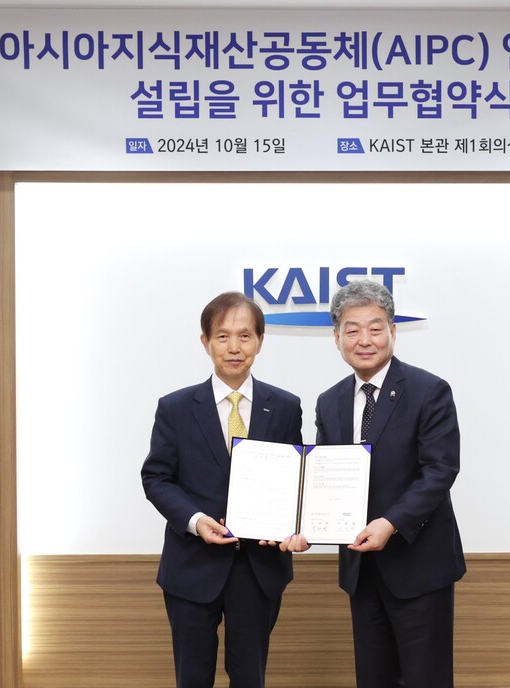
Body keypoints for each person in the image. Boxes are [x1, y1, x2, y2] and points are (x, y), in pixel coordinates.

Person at [286, 279, 465, 688]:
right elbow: (325, 476)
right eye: (352, 330)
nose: (364, 340)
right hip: (361, 571)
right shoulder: (330, 401)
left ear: (393, 331)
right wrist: (304, 526)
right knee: (373, 678)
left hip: (419, 565)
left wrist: (390, 523)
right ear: (336, 337)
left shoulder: (429, 391)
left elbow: (440, 470)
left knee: (426, 680)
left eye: (375, 327)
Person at [141, 291, 303, 688]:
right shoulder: (175, 407)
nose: (234, 347)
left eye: (245, 336)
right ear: (205, 342)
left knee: (250, 678)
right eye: (223, 336)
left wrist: (292, 524)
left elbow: (295, 478)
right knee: (192, 679)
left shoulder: (285, 407)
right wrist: (196, 521)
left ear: (260, 341)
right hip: (191, 566)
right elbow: (156, 477)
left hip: (259, 568)